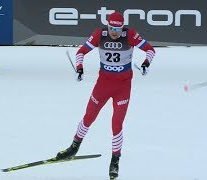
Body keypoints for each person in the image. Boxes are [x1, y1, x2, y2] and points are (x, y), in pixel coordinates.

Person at [56, 12, 156, 179]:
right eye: (111, 28)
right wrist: (79, 68)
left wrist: (146, 64)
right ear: (107, 25)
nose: (114, 32)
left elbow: (150, 50)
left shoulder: (130, 34)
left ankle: (115, 160)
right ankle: (74, 147)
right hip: (103, 85)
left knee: (116, 124)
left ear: (122, 27)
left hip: (123, 87)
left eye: (117, 28)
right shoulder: (99, 34)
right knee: (89, 117)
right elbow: (80, 52)